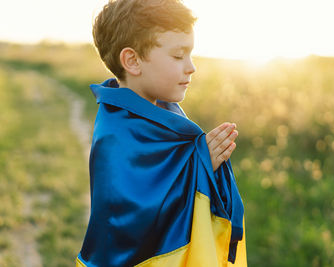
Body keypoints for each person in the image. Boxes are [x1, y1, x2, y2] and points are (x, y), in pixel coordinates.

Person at [76, 0, 247, 266]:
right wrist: (198, 166)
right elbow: (134, 215)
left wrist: (199, 164)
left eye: (190, 55)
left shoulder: (166, 115)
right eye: (179, 55)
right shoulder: (114, 135)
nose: (191, 67)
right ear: (132, 60)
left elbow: (166, 180)